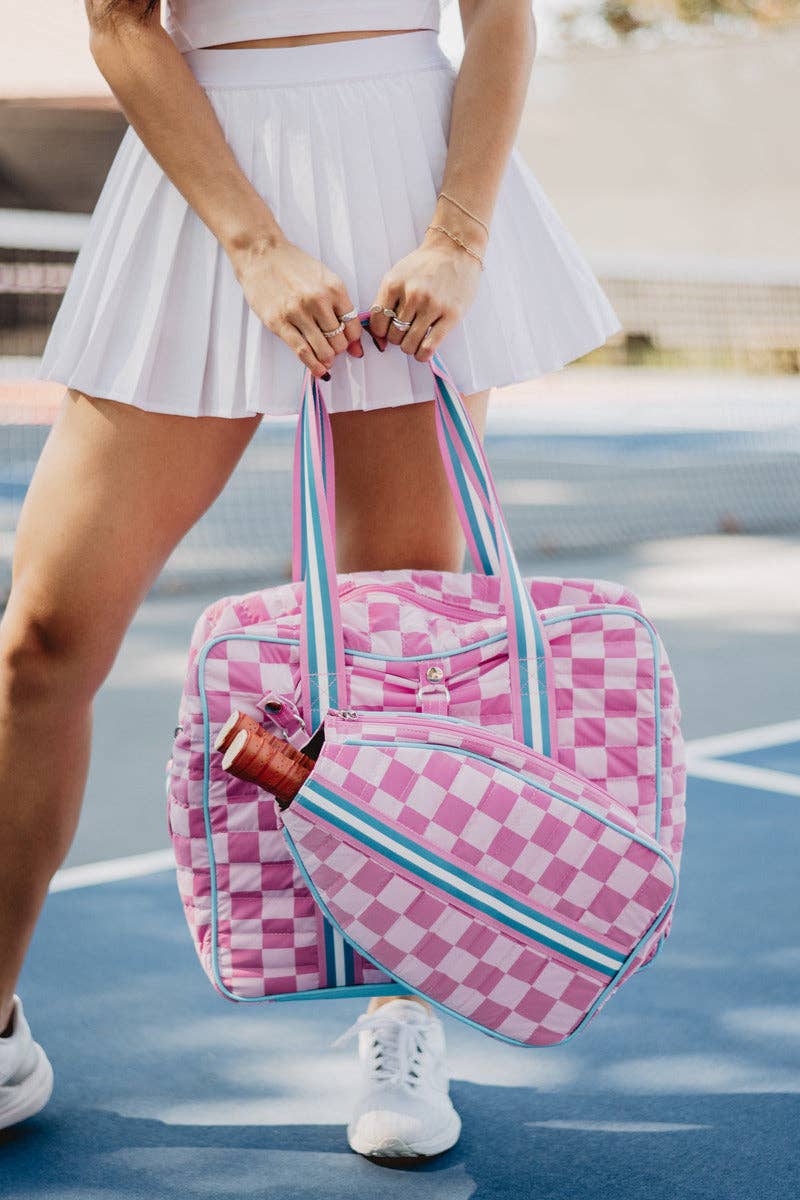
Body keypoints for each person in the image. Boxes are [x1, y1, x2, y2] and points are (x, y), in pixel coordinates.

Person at [0, 0, 621, 1160]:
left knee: (395, 679)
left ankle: (402, 1023)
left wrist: (457, 234)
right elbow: (122, 21)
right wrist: (253, 242)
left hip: (408, 181)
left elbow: (498, 14)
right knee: (40, 642)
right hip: (203, 198)